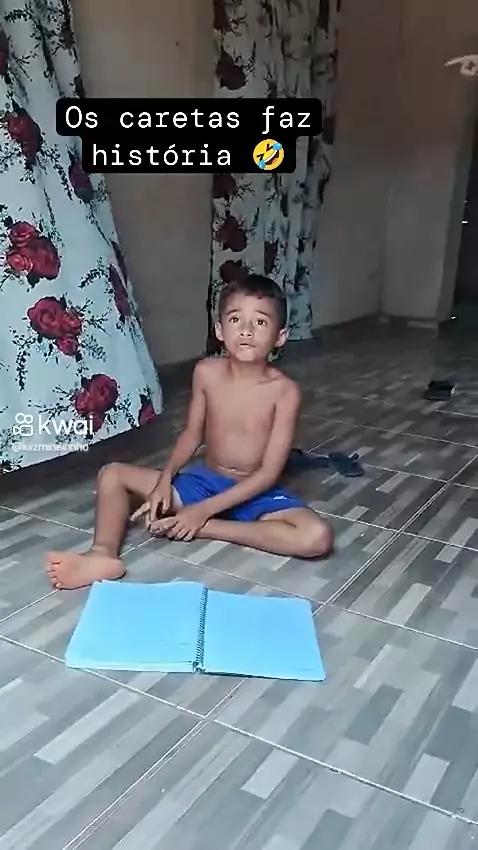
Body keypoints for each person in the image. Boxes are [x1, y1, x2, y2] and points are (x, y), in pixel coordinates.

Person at [45, 274, 334, 589]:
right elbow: (192, 434)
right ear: (220, 330)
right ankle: (101, 554)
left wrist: (200, 515)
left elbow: (268, 474)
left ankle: (208, 527)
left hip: (254, 492)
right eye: (235, 319)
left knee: (317, 537)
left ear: (280, 336)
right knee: (112, 473)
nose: (246, 330)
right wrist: (165, 479)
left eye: (260, 322)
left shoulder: (285, 392)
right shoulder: (206, 372)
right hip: (204, 483)